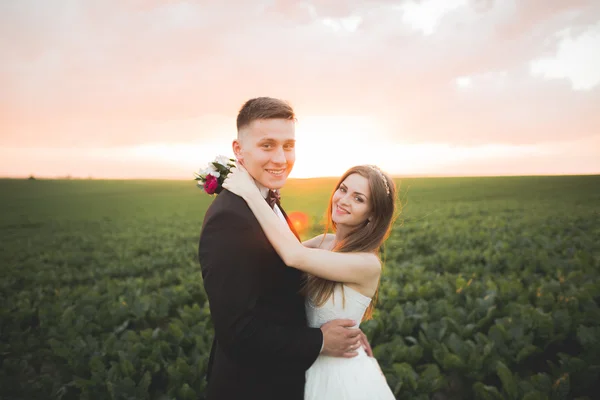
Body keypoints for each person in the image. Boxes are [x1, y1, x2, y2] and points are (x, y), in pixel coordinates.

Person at [198, 97, 371, 400]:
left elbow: (278, 277)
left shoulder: (265, 199)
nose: (280, 158)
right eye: (267, 145)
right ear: (239, 150)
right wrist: (320, 341)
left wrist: (343, 330)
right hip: (252, 388)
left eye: (288, 145)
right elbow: (238, 333)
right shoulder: (229, 218)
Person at [223, 162, 397, 399]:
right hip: (305, 358)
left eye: (359, 199)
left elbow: (294, 256)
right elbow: (277, 260)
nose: (344, 200)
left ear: (373, 215)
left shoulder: (367, 263)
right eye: (343, 189)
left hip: (339, 373)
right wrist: (267, 202)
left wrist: (251, 193)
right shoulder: (324, 242)